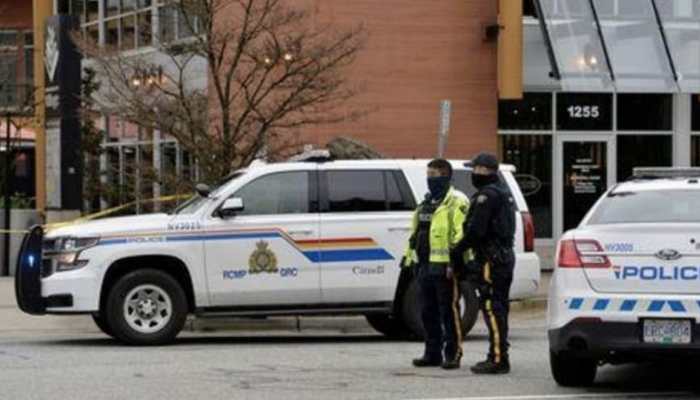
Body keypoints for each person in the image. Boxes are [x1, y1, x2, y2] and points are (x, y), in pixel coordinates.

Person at [402, 158, 469, 370]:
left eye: (434, 175)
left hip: (445, 266)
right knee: (427, 311)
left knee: (448, 311)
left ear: (446, 176)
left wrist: (454, 262)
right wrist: (409, 258)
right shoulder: (427, 202)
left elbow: (461, 234)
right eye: (428, 175)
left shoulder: (456, 201)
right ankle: (432, 354)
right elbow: (416, 233)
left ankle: (453, 354)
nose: (429, 179)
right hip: (424, 265)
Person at [453, 152, 516, 375]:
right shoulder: (503, 192)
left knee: (492, 307)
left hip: (491, 259)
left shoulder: (486, 196)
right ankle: (498, 354)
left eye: (475, 169)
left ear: (484, 171)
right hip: (503, 256)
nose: (473, 173)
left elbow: (476, 231)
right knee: (499, 307)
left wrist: (459, 249)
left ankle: (498, 359)